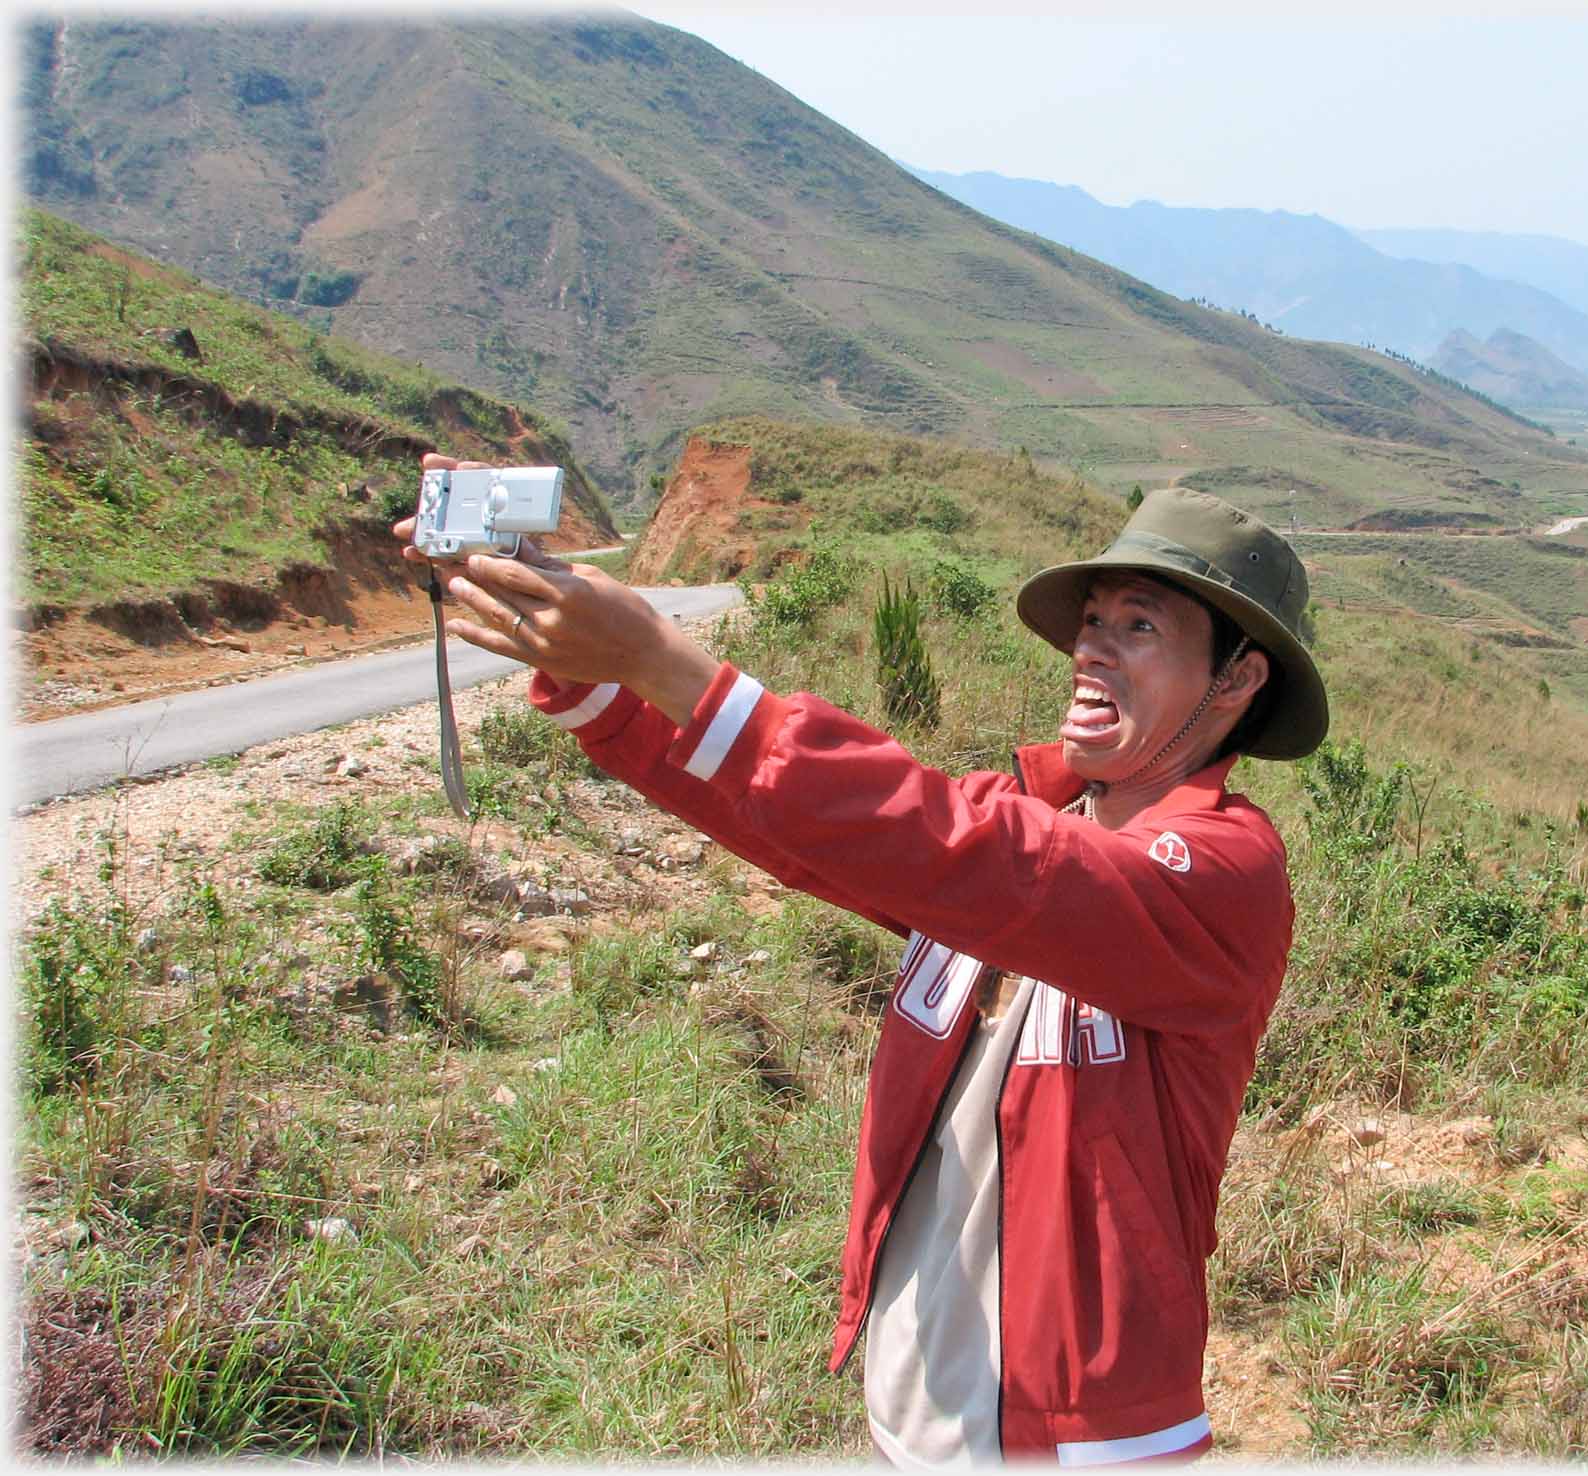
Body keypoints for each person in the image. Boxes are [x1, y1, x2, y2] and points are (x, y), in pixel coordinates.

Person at [397, 460, 1328, 1465]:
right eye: (1092, 620)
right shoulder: (1031, 817)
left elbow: (969, 855)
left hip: (1086, 1438)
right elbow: (819, 833)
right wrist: (588, 664)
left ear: (1236, 679)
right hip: (919, 1402)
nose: (1091, 650)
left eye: (1139, 627)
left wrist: (670, 662)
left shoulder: (1222, 873)